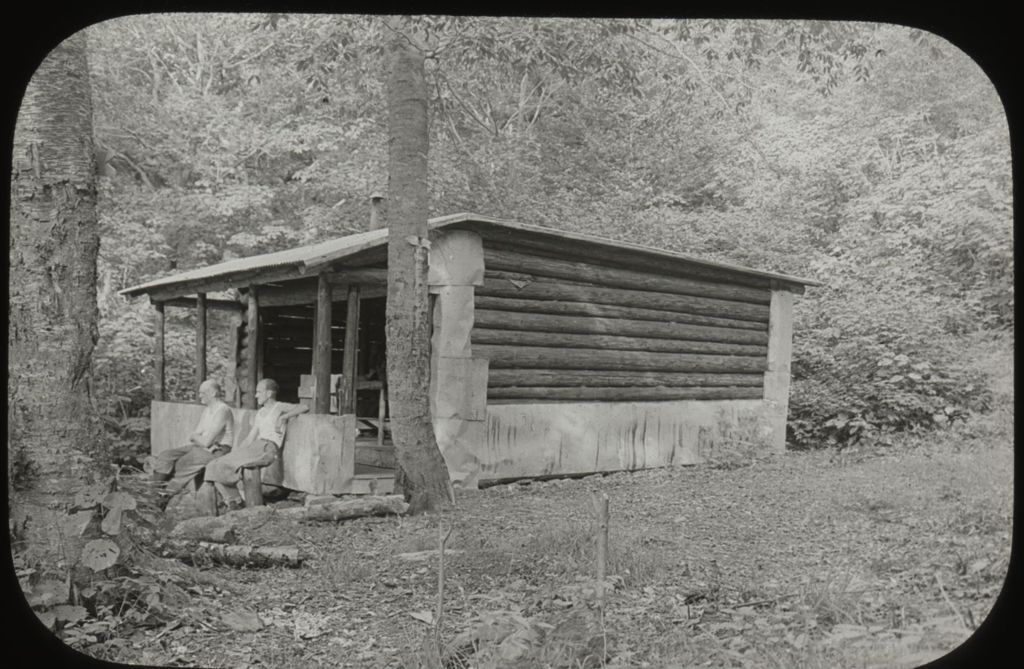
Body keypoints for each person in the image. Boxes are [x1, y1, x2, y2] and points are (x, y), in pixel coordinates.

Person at [203, 378, 308, 510]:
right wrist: (235, 453)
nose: (256, 395)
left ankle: (236, 503)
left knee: (220, 465)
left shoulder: (279, 407)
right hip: (255, 446)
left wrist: (283, 417)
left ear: (269, 394)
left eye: (259, 392)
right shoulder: (260, 413)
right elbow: (250, 438)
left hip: (267, 448)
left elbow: (304, 407)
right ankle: (234, 500)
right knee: (213, 465)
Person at [150, 379, 235, 506]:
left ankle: (161, 499)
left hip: (219, 450)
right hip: (203, 447)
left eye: (202, 393)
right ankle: (152, 493)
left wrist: (200, 439)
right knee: (165, 455)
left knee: (183, 463)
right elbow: (194, 435)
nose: (199, 396)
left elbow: (205, 440)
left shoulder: (223, 410)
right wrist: (200, 439)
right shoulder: (207, 410)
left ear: (212, 393)